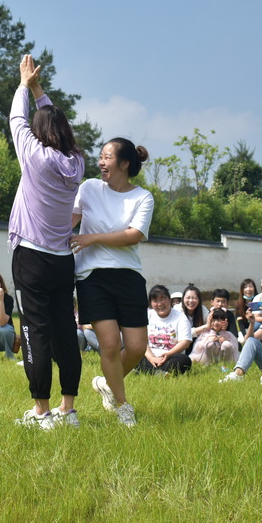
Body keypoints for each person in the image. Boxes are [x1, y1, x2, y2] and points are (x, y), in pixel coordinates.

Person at [8, 54, 86, 430]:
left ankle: (41, 413)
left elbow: (15, 120)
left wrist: (24, 85)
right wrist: (39, 90)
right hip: (61, 262)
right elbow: (54, 119)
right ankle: (67, 410)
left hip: (32, 260)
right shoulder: (76, 162)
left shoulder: (34, 156)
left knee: (34, 332)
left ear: (40, 132)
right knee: (64, 333)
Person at [72, 137, 155, 427]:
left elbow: (133, 235)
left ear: (124, 163)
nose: (101, 162)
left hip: (129, 275)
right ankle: (122, 406)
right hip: (92, 276)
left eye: (107, 157)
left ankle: (107, 383)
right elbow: (67, 221)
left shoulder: (142, 197)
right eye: (101, 156)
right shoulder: (89, 188)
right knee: (109, 344)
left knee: (136, 347)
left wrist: (92, 237)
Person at [136, 285, 192, 376]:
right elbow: (141, 340)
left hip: (170, 357)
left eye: (162, 299)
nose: (159, 304)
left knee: (185, 361)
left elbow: (185, 342)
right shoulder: (147, 315)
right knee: (128, 351)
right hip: (149, 355)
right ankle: (158, 372)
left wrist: (168, 354)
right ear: (151, 303)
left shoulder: (180, 317)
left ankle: (145, 370)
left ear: (169, 300)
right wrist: (151, 357)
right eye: (155, 301)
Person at [233, 278, 257, 344]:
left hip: (257, 328)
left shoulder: (259, 302)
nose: (248, 289)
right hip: (246, 330)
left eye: (251, 286)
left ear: (254, 289)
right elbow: (240, 322)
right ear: (242, 290)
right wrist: (244, 335)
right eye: (245, 287)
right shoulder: (239, 305)